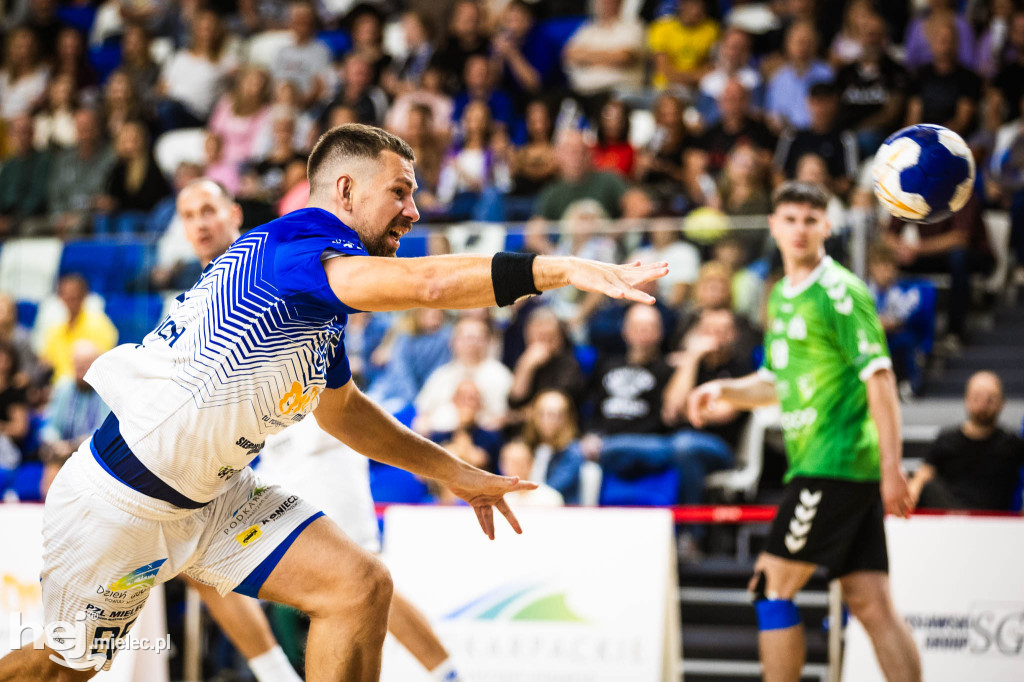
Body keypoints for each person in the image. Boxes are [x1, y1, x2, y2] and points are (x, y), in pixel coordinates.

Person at [0, 123, 666, 681]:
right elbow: (431, 283)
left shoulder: (318, 311)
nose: (413, 211)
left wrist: (456, 474)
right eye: (400, 193)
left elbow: (342, 411)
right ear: (345, 190)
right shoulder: (299, 238)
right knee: (60, 672)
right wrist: (560, 269)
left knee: (359, 586)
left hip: (214, 499)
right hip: (121, 498)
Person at [687, 181, 921, 682]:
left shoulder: (839, 291)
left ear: (827, 228)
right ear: (772, 226)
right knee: (871, 602)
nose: (799, 229)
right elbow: (776, 383)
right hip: (829, 467)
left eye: (810, 220)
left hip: (830, 465)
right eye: (790, 219)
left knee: (771, 588)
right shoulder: (782, 297)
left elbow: (881, 378)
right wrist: (724, 391)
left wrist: (891, 469)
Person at [908, 371, 1024, 511]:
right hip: (949, 516)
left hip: (994, 519)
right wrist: (913, 490)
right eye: (977, 397)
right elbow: (924, 474)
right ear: (966, 399)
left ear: (1002, 403)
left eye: (990, 398)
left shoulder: (1012, 444)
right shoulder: (946, 440)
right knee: (926, 486)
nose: (983, 404)